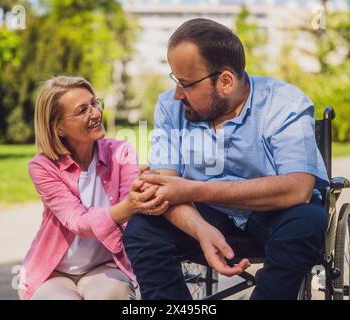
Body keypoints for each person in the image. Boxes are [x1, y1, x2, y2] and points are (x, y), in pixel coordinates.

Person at [123, 18, 329, 300]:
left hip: (271, 212)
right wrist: (200, 229)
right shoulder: (170, 107)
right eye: (175, 80)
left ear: (225, 81)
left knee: (306, 222)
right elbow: (164, 188)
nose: (177, 93)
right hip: (203, 215)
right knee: (142, 229)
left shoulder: (284, 103)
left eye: (186, 84)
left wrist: (193, 189)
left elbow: (298, 188)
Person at [18, 76, 169, 300]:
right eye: (82, 110)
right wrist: (130, 206)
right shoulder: (43, 167)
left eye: (94, 103)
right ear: (58, 128)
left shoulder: (122, 152)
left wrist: (143, 188)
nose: (96, 113)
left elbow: (133, 206)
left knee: (109, 295)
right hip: (55, 272)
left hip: (106, 264)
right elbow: (78, 221)